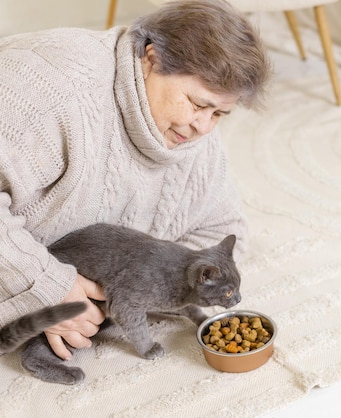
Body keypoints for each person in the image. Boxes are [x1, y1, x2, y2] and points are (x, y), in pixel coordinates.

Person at [0, 0, 270, 360]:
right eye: (196, 103)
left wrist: (146, 284)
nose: (203, 126)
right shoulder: (50, 93)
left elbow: (222, 226)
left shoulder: (193, 132)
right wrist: (47, 284)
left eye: (220, 113)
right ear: (151, 57)